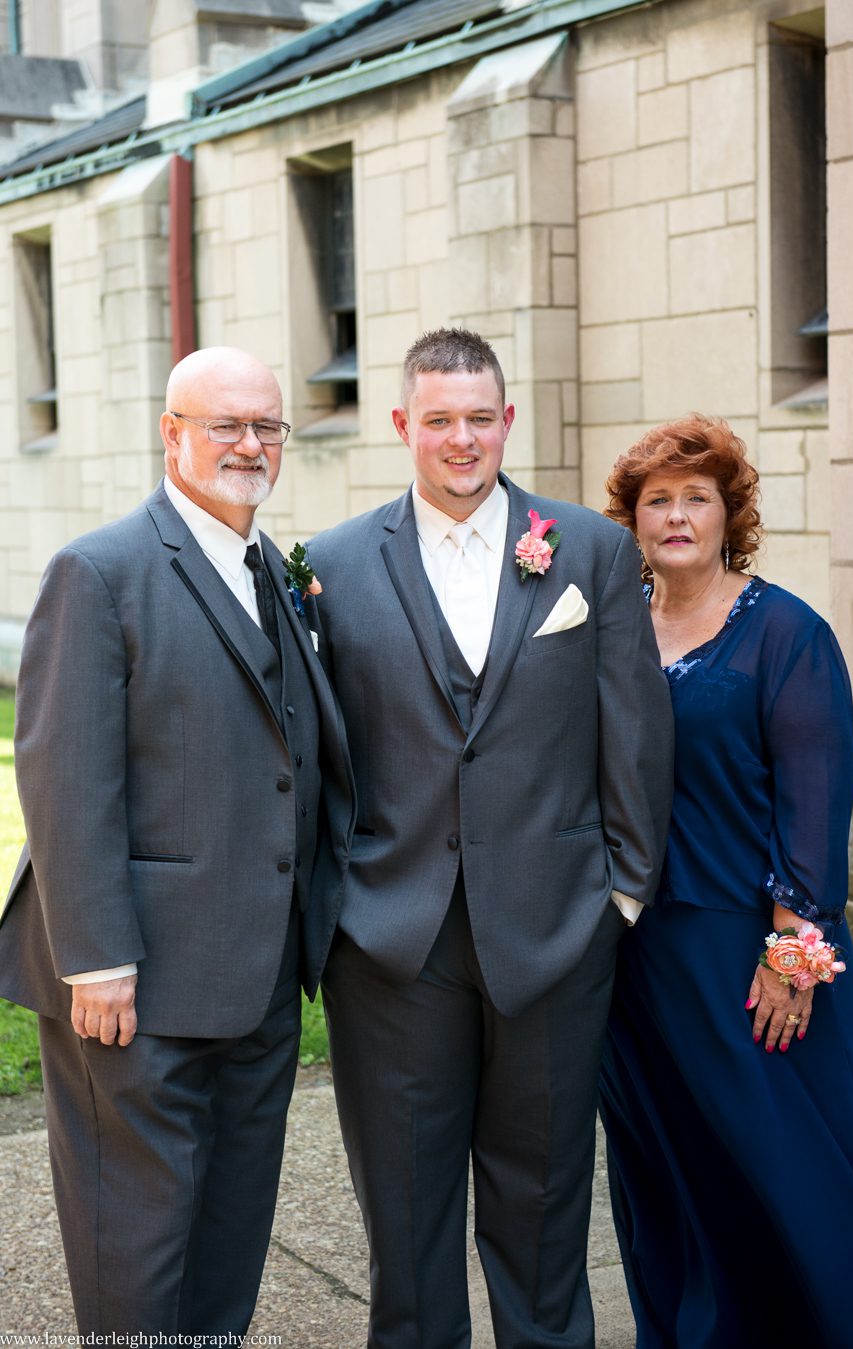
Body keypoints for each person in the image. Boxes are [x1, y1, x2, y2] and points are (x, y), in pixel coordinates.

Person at [305, 326, 673, 1348]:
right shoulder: (331, 564)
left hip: (558, 931)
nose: (461, 438)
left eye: (479, 417)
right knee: (406, 1223)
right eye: (439, 420)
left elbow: (635, 729)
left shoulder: (590, 550)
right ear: (402, 425)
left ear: (508, 420)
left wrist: (621, 895)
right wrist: (338, 906)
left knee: (546, 1215)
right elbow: (317, 750)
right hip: (393, 944)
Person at [0, 347, 354, 1336]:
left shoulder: (274, 569)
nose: (250, 444)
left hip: (260, 975)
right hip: (136, 985)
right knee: (137, 1243)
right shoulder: (100, 571)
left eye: (267, 425)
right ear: (171, 434)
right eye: (224, 425)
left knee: (228, 1239)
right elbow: (66, 777)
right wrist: (97, 957)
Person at [598, 414, 853, 1349]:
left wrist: (791, 962)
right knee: (675, 1167)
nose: (677, 516)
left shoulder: (787, 634)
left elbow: (817, 806)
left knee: (792, 1169)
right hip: (637, 962)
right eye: (658, 500)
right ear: (633, 519)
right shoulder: (610, 627)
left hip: (752, 960)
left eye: (698, 498)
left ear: (731, 515)